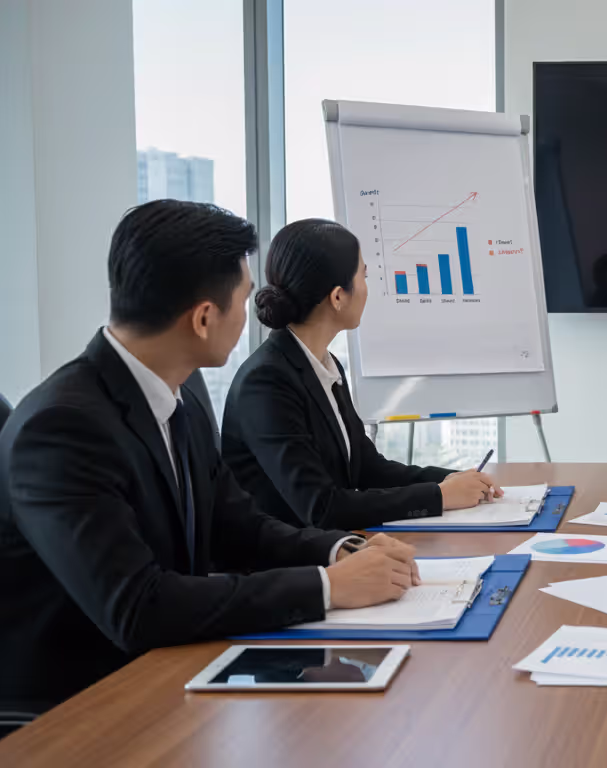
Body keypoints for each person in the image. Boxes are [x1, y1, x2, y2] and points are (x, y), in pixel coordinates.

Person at [0, 201, 416, 718]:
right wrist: (327, 588)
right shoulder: (60, 428)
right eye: (242, 299)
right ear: (203, 317)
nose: (251, 315)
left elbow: (237, 525)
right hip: (79, 709)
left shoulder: (184, 393)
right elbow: (138, 606)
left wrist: (340, 551)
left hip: (177, 672)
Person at [222, 219, 500, 530]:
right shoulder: (266, 383)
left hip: (330, 549)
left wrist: (449, 479)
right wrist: (438, 496)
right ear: (338, 297)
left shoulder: (324, 365)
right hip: (286, 567)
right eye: (364, 276)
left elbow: (367, 469)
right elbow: (322, 507)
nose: (368, 288)